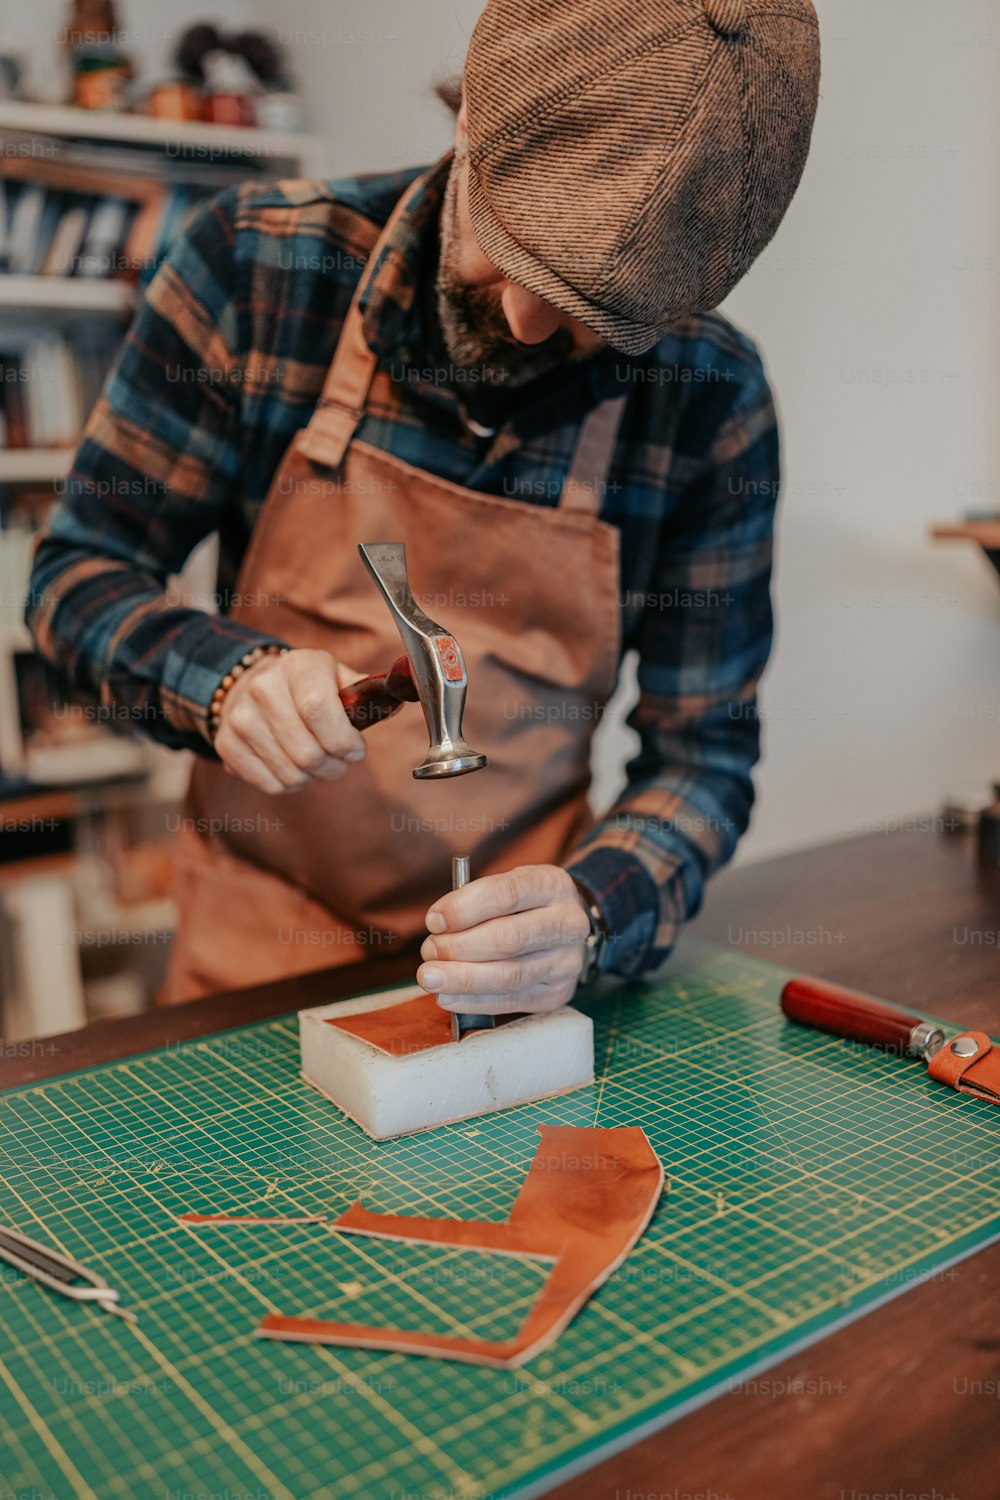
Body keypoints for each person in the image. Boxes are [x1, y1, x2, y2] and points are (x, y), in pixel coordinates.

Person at [27, 0, 821, 1010]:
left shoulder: (708, 399)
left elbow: (704, 755)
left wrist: (591, 912)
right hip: (259, 954)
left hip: (517, 974)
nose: (533, 326)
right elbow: (73, 581)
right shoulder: (260, 271)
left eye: (597, 314)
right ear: (470, 117)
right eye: (517, 248)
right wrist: (220, 682)